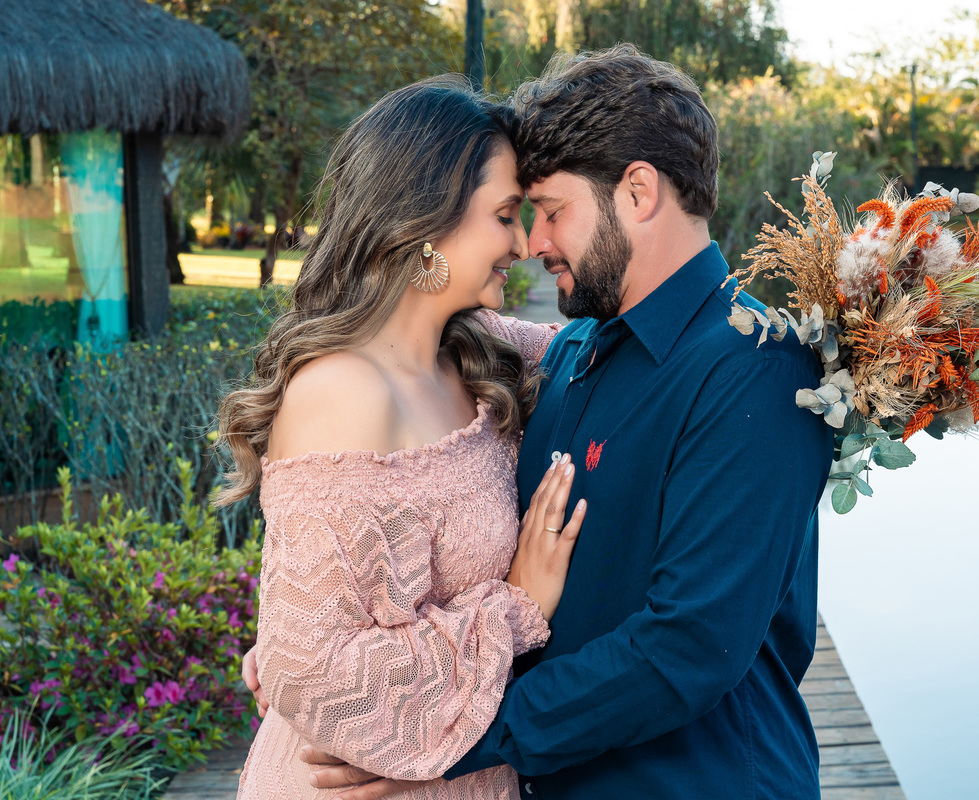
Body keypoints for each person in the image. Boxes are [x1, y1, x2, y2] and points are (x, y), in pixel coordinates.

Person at [262, 45, 836, 800]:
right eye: (515, 215)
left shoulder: (758, 365)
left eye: (550, 212)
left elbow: (690, 646)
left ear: (638, 192)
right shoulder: (567, 355)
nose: (532, 242)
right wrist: (317, 648)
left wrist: (444, 733)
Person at [220, 76, 585, 800]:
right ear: (424, 223)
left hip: (463, 773)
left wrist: (810, 334)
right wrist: (515, 606)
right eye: (505, 216)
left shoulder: (476, 346)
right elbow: (310, 673)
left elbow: (615, 352)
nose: (523, 244)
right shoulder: (340, 392)